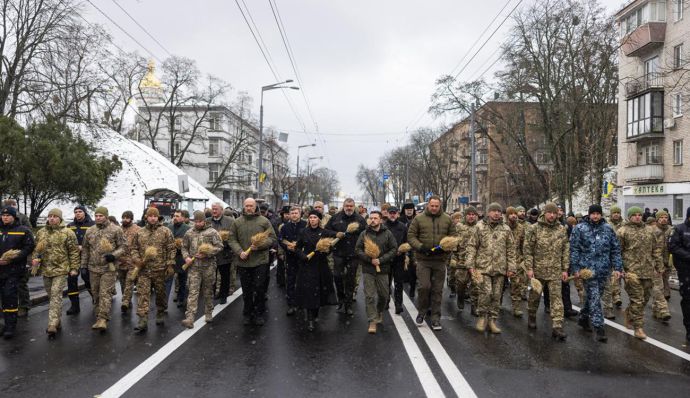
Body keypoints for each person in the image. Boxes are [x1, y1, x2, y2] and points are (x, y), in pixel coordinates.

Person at [570, 204, 622, 342]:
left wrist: (617, 268)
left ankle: (583, 318)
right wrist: (575, 268)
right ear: (589, 214)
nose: (595, 216)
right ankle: (599, 328)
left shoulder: (608, 229)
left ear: (601, 214)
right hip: (587, 271)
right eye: (593, 213)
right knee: (594, 297)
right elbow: (574, 249)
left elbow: (615, 249)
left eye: (598, 213)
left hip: (603, 270)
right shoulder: (580, 228)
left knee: (593, 297)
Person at [466, 202, 516, 334]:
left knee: (496, 295)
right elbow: (471, 246)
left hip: (500, 268)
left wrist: (511, 267)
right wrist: (470, 265)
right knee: (486, 293)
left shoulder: (506, 229)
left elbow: (511, 249)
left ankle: (492, 319)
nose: (496, 213)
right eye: (494, 211)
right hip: (483, 267)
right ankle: (482, 317)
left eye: (499, 211)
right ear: (488, 213)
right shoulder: (479, 227)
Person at [407, 196, 455, 331]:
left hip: (439, 260)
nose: (434, 208)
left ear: (440, 206)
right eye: (432, 205)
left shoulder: (447, 219)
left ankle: (435, 318)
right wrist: (421, 247)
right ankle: (421, 312)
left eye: (436, 206)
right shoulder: (418, 219)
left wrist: (445, 250)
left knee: (437, 290)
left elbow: (453, 238)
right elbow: (411, 236)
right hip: (423, 259)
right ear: (428, 205)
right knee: (424, 287)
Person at [227, 198, 277, 326]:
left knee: (259, 289)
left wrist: (260, 246)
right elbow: (231, 239)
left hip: (260, 261)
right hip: (244, 262)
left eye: (251, 206)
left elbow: (272, 238)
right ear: (243, 207)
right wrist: (239, 252)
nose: (249, 208)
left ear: (256, 207)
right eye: (247, 206)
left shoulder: (264, 221)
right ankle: (247, 313)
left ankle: (259, 312)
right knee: (247, 290)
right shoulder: (237, 222)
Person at [523, 203, 569, 340]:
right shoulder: (534, 229)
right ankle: (532, 316)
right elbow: (528, 250)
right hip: (538, 270)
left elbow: (565, 250)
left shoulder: (561, 229)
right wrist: (529, 268)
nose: (552, 215)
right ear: (545, 213)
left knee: (556, 299)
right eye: (550, 213)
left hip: (555, 270)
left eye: (554, 213)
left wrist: (565, 269)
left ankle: (557, 326)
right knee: (534, 297)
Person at [32, 208, 79, 338]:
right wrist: (35, 260)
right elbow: (36, 250)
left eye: (54, 216)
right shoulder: (41, 232)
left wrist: (74, 268)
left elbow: (74, 252)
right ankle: (57, 320)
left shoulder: (67, 233)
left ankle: (52, 323)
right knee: (51, 296)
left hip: (61, 270)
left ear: (60, 218)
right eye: (50, 216)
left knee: (55, 295)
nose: (52, 218)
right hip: (46, 270)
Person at [618, 206, 662, 340]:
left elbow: (656, 249)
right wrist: (620, 269)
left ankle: (629, 313)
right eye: (634, 215)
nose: (637, 217)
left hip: (647, 270)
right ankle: (638, 328)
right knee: (637, 299)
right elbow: (617, 252)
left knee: (644, 299)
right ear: (629, 217)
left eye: (639, 214)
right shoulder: (623, 231)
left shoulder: (649, 230)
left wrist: (659, 266)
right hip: (631, 272)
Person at [130, 207, 175, 333]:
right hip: (144, 271)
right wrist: (136, 259)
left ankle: (160, 312)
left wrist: (170, 264)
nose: (153, 218)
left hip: (160, 270)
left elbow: (171, 248)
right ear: (146, 217)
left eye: (155, 216)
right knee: (143, 294)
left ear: (158, 217)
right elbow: (133, 248)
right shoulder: (140, 232)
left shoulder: (165, 231)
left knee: (160, 294)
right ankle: (143, 319)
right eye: (150, 216)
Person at [81, 207, 126, 332]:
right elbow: (85, 249)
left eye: (101, 215)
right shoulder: (90, 230)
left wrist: (114, 255)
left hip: (108, 268)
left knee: (105, 293)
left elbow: (123, 246)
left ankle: (103, 319)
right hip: (93, 268)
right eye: (96, 215)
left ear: (106, 216)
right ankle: (98, 316)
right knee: (95, 294)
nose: (98, 218)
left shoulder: (116, 230)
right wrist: (83, 266)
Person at [294, 210, 338, 332]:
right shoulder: (303, 232)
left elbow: (330, 248)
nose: (312, 219)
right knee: (309, 291)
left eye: (315, 217)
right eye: (310, 217)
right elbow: (297, 247)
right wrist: (303, 256)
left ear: (319, 219)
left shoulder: (324, 232)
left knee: (318, 291)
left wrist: (326, 250)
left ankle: (315, 313)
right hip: (307, 265)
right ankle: (310, 319)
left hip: (320, 266)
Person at [355, 211, 397, 334]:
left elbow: (394, 248)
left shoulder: (387, 233)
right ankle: (372, 321)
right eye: (371, 218)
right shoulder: (364, 234)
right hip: (368, 269)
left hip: (383, 269)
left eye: (375, 218)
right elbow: (358, 249)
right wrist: (369, 259)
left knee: (384, 295)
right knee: (369, 296)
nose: (373, 220)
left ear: (380, 220)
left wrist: (381, 260)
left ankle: (379, 311)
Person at [180, 211, 223, 328]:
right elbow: (184, 247)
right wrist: (186, 257)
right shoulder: (189, 232)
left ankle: (208, 312)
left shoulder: (212, 232)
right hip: (194, 268)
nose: (198, 224)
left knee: (208, 291)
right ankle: (190, 317)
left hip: (208, 267)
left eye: (200, 221)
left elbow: (220, 246)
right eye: (196, 221)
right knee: (193, 292)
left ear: (204, 221)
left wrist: (208, 254)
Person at [325, 198, 366, 316]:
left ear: (354, 207)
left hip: (353, 254)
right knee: (337, 276)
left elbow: (366, 234)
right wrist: (335, 234)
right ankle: (341, 300)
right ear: (343, 206)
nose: (349, 208)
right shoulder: (336, 218)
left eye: (351, 206)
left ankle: (348, 304)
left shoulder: (360, 219)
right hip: (338, 253)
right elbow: (326, 231)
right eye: (347, 206)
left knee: (350, 279)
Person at [0, 206, 35, 339]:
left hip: (13, 271)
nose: (5, 217)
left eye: (8, 215)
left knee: (10, 297)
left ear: (14, 217)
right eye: (3, 215)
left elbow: (29, 247)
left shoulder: (23, 230)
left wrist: (15, 257)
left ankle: (10, 326)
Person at [2, 199, 31, 318]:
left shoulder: (22, 218)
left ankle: (24, 306)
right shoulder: (3, 218)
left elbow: (29, 234)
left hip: (20, 255)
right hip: (4, 257)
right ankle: (7, 308)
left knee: (21, 283)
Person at [66, 205, 95, 315]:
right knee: (71, 280)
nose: (77, 213)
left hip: (88, 257)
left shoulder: (92, 225)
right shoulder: (70, 225)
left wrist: (84, 247)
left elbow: (96, 241)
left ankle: (95, 298)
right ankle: (74, 306)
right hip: (74, 257)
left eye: (80, 211)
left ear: (84, 213)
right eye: (76, 212)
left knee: (86, 276)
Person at [278, 207, 307, 315]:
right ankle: (291, 304)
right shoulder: (285, 227)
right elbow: (280, 239)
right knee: (290, 280)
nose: (294, 215)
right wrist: (287, 247)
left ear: (300, 214)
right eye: (292, 213)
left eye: (296, 213)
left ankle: (303, 303)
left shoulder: (305, 225)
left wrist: (301, 247)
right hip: (290, 257)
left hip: (303, 257)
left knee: (303, 280)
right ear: (289, 215)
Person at [668, 207, 690, 344]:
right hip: (686, 270)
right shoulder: (679, 229)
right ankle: (689, 328)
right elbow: (673, 247)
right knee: (688, 300)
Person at [452, 206, 479, 315]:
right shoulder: (459, 227)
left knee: (476, 285)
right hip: (462, 260)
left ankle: (474, 306)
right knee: (461, 283)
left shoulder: (479, 227)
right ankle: (460, 297)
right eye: (469, 214)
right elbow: (454, 242)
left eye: (473, 214)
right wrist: (454, 257)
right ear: (465, 215)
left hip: (476, 261)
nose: (471, 216)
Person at [207, 202, 234, 303]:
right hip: (211, 254)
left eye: (216, 209)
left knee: (225, 276)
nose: (214, 211)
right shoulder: (207, 221)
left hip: (224, 253)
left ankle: (224, 295)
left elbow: (233, 236)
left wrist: (225, 241)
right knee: (211, 276)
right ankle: (213, 294)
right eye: (212, 209)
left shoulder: (230, 221)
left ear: (221, 210)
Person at [384, 206, 408, 314]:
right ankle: (386, 301)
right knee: (386, 282)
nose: (392, 215)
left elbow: (407, 241)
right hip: (386, 259)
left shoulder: (403, 227)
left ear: (397, 214)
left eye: (394, 213)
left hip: (399, 258)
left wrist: (404, 251)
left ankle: (398, 304)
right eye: (390, 213)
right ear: (387, 214)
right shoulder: (383, 226)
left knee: (399, 282)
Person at [650, 210, 672, 322]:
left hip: (667, 262)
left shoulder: (671, 230)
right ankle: (664, 310)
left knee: (663, 285)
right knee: (659, 287)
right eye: (661, 217)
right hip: (655, 263)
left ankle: (655, 309)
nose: (664, 219)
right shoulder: (652, 230)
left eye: (665, 217)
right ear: (657, 219)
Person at [505, 206, 526, 317]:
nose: (513, 215)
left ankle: (516, 307)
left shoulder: (521, 228)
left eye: (515, 213)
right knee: (499, 285)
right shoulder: (502, 227)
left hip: (516, 259)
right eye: (511, 213)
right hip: (502, 259)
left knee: (516, 284)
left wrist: (524, 258)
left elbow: (523, 244)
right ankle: (497, 304)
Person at [167, 210, 190, 309]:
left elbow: (189, 243)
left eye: (177, 216)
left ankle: (181, 298)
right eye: (174, 216)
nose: (175, 217)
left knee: (182, 279)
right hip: (170, 257)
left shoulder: (188, 229)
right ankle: (164, 302)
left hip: (181, 257)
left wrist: (181, 245)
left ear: (183, 218)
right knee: (168, 279)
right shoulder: (169, 227)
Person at [119, 211, 140, 312]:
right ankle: (127, 300)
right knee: (122, 283)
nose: (125, 220)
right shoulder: (118, 230)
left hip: (132, 262)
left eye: (127, 218)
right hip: (120, 261)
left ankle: (125, 301)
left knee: (129, 282)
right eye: (123, 218)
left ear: (131, 219)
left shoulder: (137, 230)